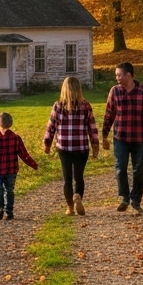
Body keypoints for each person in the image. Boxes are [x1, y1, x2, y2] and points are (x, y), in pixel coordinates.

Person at [102, 61, 143, 215]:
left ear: (129, 75)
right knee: (120, 167)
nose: (117, 78)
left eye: (119, 75)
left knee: (137, 169)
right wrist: (104, 135)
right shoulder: (115, 92)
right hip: (120, 137)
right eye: (116, 75)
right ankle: (124, 198)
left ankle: (136, 200)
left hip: (140, 137)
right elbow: (109, 114)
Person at [44, 76, 100, 216]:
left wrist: (47, 144)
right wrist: (95, 145)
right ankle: (78, 196)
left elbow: (51, 127)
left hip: (64, 148)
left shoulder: (57, 106)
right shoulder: (86, 105)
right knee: (79, 177)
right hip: (81, 148)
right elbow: (92, 127)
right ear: (78, 89)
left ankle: (70, 207)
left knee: (67, 178)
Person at [0, 112, 39, 221]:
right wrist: (33, 164)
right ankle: (9, 212)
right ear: (11, 123)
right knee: (10, 191)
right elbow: (24, 154)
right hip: (12, 170)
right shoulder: (16, 138)